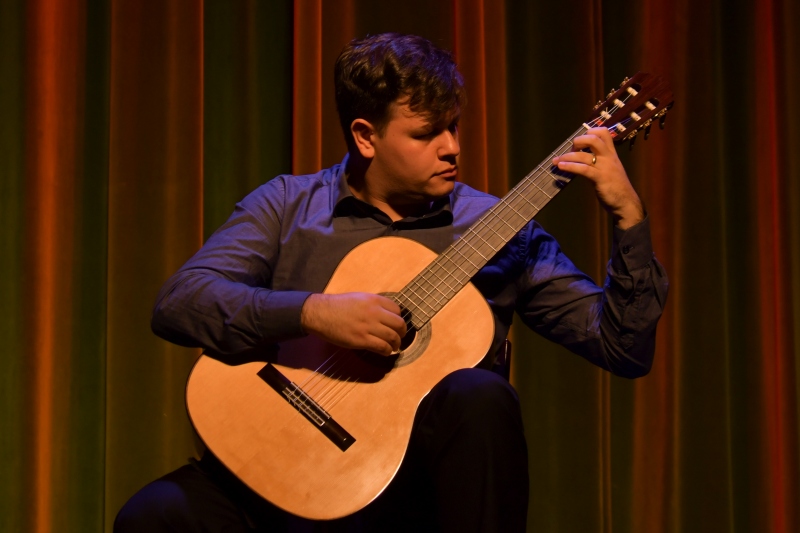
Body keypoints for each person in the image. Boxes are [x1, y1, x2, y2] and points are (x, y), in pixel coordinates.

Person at [115, 33, 668, 532]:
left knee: (479, 395)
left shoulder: (503, 232)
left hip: (399, 493)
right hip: (270, 469)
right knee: (153, 516)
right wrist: (313, 313)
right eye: (427, 133)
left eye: (454, 126)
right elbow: (180, 302)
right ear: (366, 136)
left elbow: (622, 347)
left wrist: (628, 216)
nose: (452, 146)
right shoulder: (287, 206)